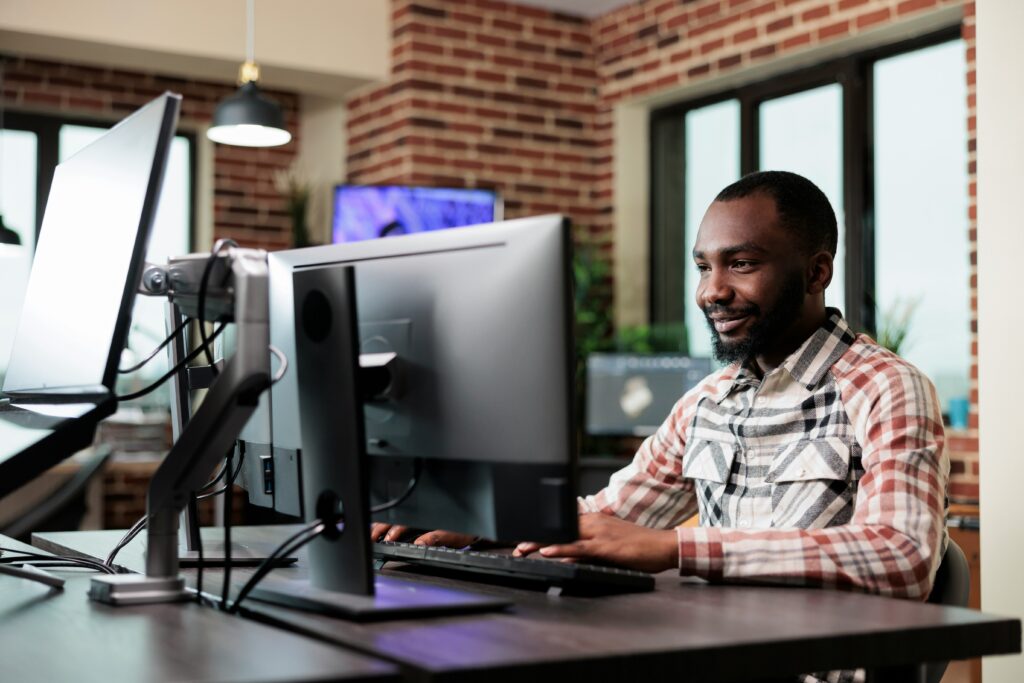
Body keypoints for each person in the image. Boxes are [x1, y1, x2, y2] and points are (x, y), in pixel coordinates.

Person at [372, 170, 949, 602]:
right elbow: (605, 519)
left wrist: (678, 548)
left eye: (741, 264)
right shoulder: (707, 402)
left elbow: (903, 554)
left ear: (817, 272)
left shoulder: (886, 387)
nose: (710, 292)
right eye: (704, 267)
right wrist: (481, 525)